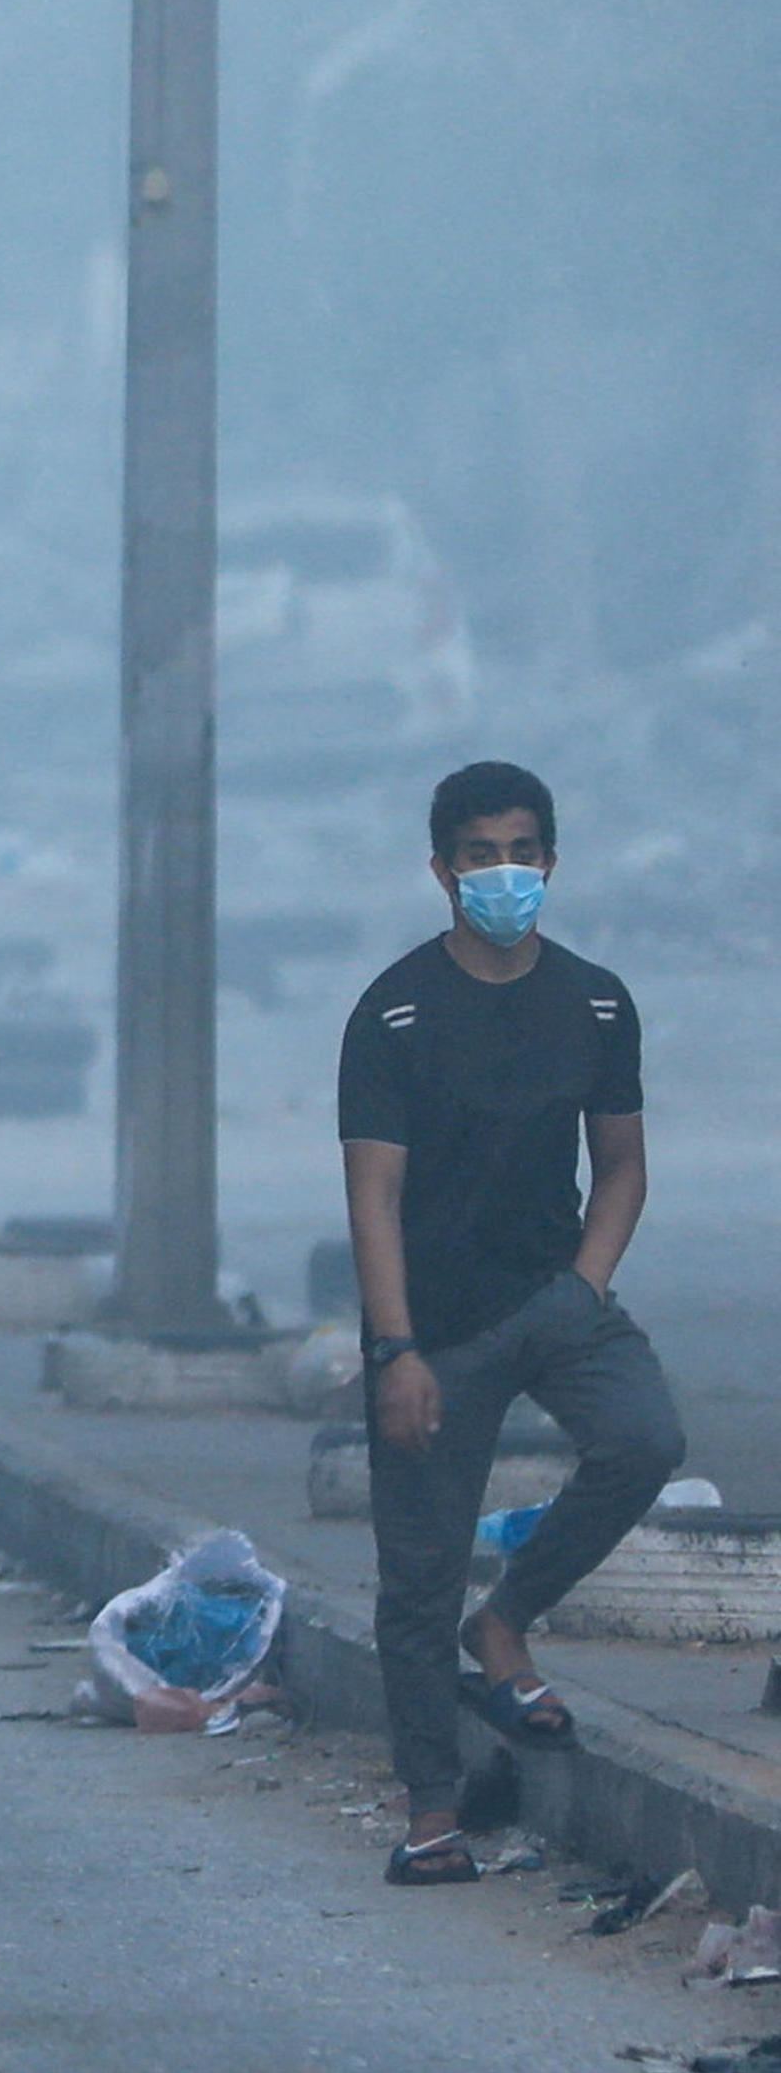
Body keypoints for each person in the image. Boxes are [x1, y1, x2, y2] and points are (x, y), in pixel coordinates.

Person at [340, 759, 679, 1888]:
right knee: (417, 1577)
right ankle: (431, 1813)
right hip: (431, 1327)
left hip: (556, 1296)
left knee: (643, 1441)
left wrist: (586, 1281)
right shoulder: (391, 1012)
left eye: (519, 851)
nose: (501, 873)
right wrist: (392, 1352)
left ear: (549, 861)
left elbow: (621, 1165)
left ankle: (510, 1623)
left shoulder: (592, 1000)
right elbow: (372, 1198)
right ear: (439, 870)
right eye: (476, 855)